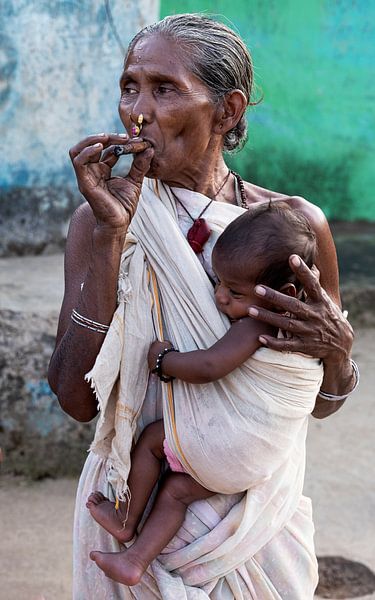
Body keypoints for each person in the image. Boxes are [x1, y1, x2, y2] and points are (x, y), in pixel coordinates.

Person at [48, 13, 357, 599]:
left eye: (164, 89)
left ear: (229, 110)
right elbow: (75, 401)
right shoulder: (100, 223)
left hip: (254, 518)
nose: (136, 111)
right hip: (132, 511)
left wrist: (338, 353)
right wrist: (111, 239)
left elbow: (320, 401)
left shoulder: (292, 229)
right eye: (129, 86)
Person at [86, 201, 323, 587]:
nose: (221, 299)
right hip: (252, 464)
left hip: (225, 447)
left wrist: (165, 361)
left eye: (235, 291)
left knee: (151, 440)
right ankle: (134, 560)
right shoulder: (301, 326)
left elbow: (211, 366)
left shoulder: (256, 324)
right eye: (218, 284)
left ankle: (125, 519)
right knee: (177, 492)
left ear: (285, 292)